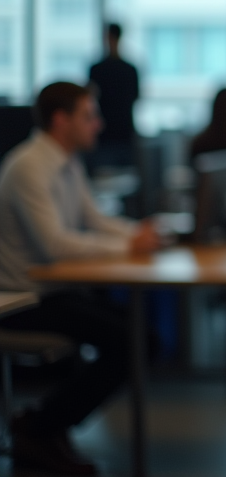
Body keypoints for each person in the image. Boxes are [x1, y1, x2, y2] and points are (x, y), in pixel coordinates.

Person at [0, 82, 161, 476]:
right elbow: (55, 245)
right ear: (61, 120)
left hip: (53, 292)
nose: (99, 124)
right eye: (89, 115)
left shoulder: (67, 161)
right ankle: (40, 427)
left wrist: (136, 234)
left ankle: (44, 425)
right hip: (22, 300)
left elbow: (93, 221)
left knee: (146, 338)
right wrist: (129, 248)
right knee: (133, 341)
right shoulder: (28, 167)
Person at [88, 22, 139, 170]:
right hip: (118, 134)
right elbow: (136, 97)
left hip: (110, 135)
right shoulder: (130, 70)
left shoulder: (97, 70)